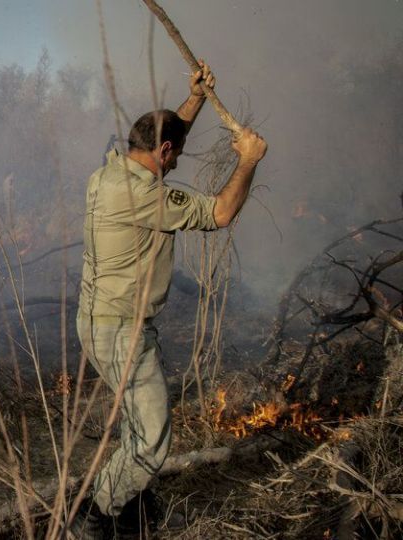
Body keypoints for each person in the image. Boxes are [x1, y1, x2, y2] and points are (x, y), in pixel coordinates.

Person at [73, 61, 267, 538]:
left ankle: (133, 510)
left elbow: (165, 137)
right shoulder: (147, 198)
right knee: (151, 440)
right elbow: (220, 213)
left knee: (137, 427)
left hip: (101, 322)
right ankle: (94, 518)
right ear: (163, 151)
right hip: (121, 330)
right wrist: (249, 160)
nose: (177, 162)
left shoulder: (107, 175)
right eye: (175, 155)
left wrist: (195, 98)